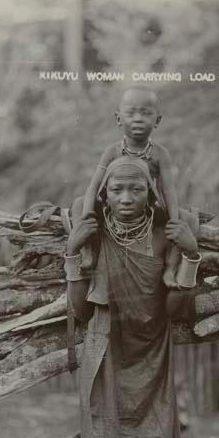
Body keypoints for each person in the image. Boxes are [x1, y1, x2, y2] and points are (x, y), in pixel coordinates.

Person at [64, 156, 202, 438]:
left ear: (151, 193)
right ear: (103, 194)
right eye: (117, 189)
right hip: (104, 359)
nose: (126, 199)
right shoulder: (95, 236)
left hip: (152, 361)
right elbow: (81, 312)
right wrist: (72, 253)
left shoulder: (166, 236)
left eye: (136, 190)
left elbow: (177, 311)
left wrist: (191, 255)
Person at [75, 85, 182, 288]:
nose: (138, 118)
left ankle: (170, 269)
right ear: (118, 118)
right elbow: (94, 185)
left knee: (187, 221)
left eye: (146, 113)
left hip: (148, 210)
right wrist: (88, 214)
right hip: (113, 209)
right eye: (131, 113)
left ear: (157, 120)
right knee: (79, 204)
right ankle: (88, 252)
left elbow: (168, 190)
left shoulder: (160, 154)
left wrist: (174, 220)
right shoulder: (112, 151)